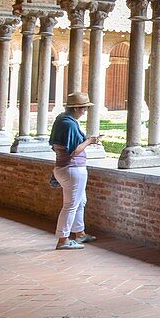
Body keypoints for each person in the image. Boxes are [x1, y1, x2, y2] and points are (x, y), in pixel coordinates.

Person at [49, 92, 99, 250]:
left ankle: (80, 233)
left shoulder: (61, 120)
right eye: (84, 108)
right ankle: (63, 240)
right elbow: (74, 150)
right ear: (76, 108)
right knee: (70, 205)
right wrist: (90, 141)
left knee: (80, 201)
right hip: (72, 168)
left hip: (63, 167)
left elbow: (55, 145)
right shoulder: (69, 124)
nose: (85, 111)